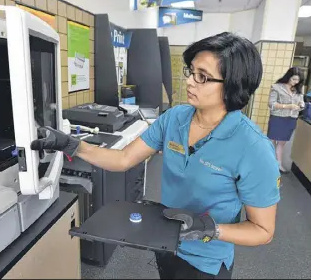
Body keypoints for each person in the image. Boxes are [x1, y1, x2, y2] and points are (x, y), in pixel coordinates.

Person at [31, 32, 281, 279]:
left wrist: (210, 228)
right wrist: (71, 145)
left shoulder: (253, 147)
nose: (190, 82)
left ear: (233, 86)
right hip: (166, 244)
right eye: (191, 71)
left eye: (203, 77)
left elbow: (262, 230)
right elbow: (123, 159)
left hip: (207, 262)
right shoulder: (175, 118)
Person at [267, 67, 305, 173]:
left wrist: (301, 105)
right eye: (293, 79)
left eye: (298, 80)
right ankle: (268, 164)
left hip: (291, 120)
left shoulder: (298, 89)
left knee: (282, 144)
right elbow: (271, 104)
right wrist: (287, 106)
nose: (295, 82)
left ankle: (278, 164)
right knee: (272, 141)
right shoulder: (277, 87)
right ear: (288, 77)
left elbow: (301, 103)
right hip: (278, 118)